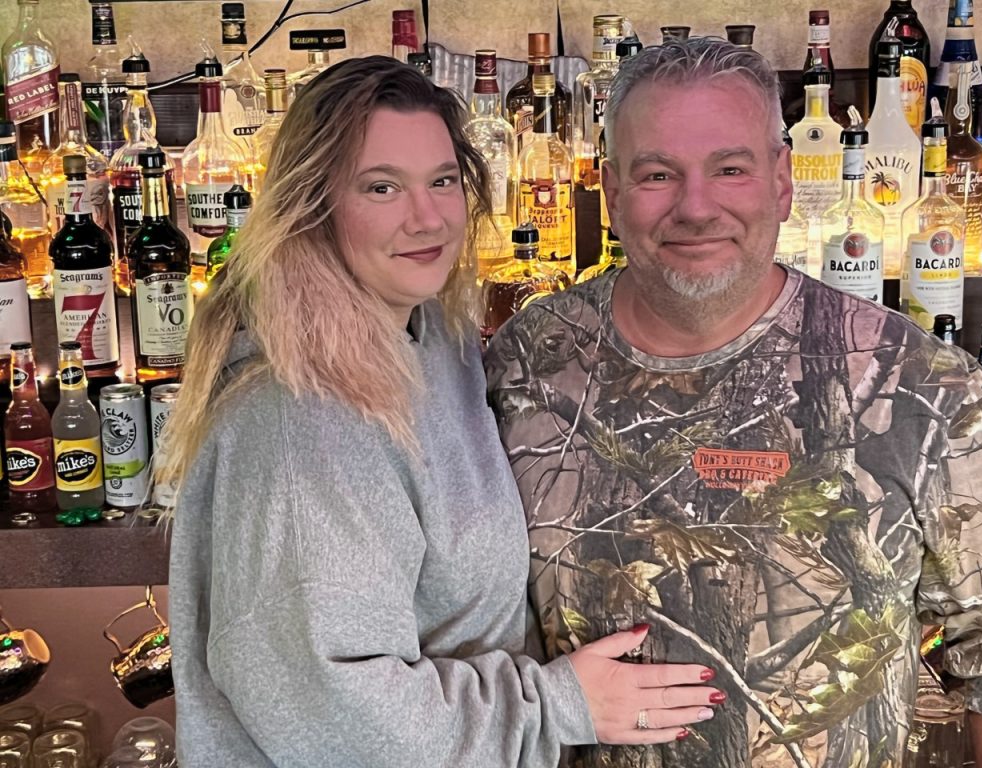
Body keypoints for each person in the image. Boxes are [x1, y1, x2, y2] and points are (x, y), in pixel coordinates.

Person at [164, 56, 725, 768]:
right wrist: (557, 707)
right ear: (313, 205)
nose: (426, 217)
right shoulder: (296, 419)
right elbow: (340, 718)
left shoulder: (433, 338)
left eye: (442, 181)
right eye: (381, 187)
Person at [485, 37, 982, 768]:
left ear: (781, 182)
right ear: (610, 193)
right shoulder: (522, 365)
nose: (695, 206)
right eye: (657, 174)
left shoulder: (924, 384)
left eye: (729, 169)